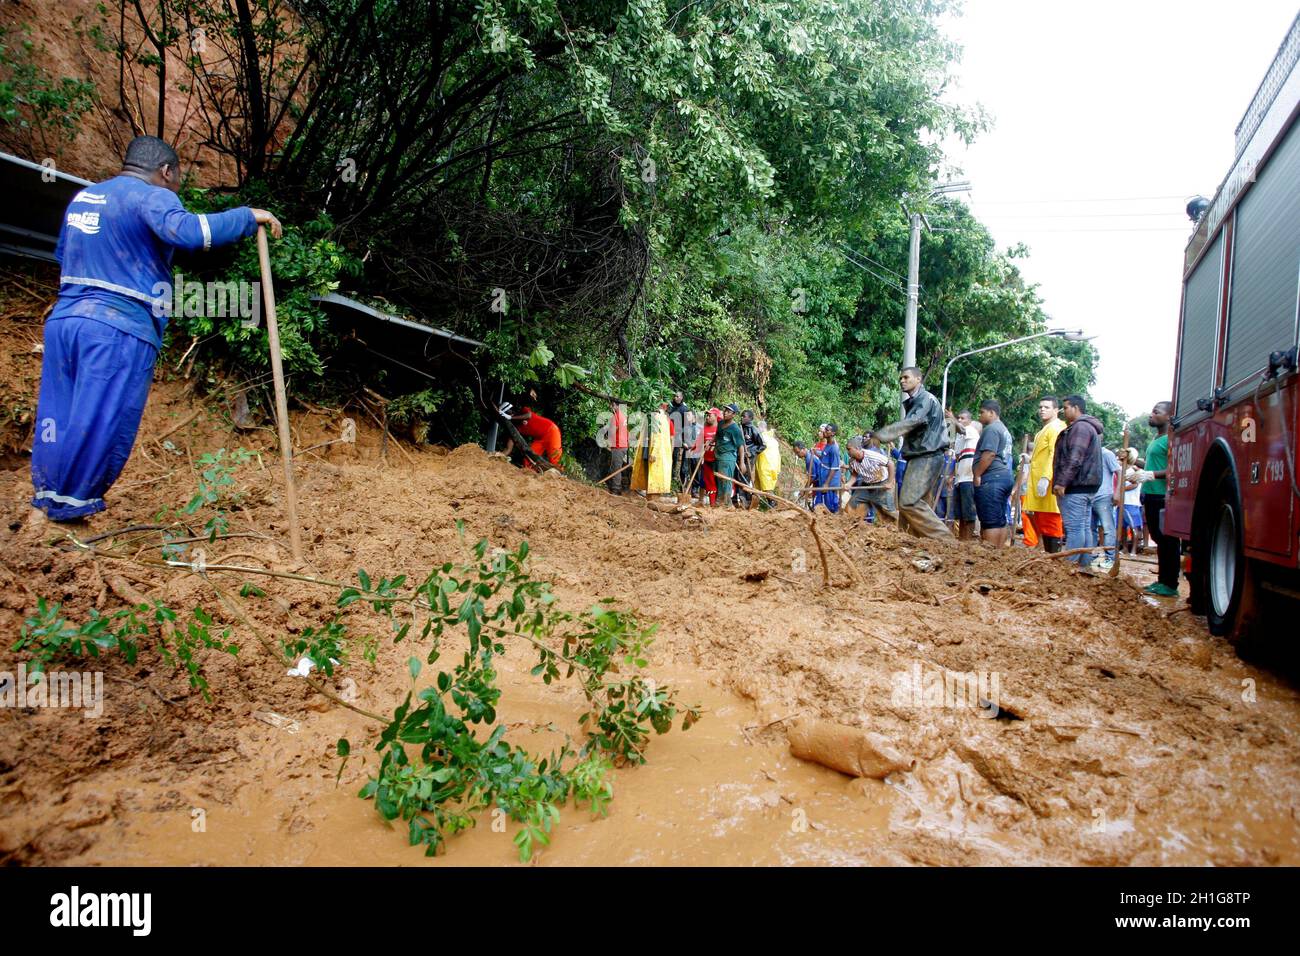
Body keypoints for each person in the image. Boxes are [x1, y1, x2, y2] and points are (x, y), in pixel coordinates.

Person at [29, 135, 282, 523]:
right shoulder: (150, 195)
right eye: (177, 180)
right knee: (99, 420)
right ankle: (69, 515)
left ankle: (46, 504)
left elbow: (64, 255)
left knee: (57, 415)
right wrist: (247, 216)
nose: (175, 188)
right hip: (116, 328)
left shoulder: (85, 197)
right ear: (166, 171)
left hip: (66, 320)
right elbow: (188, 232)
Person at [873, 367, 953, 539]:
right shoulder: (919, 400)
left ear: (918, 379)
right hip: (923, 456)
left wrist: (883, 434)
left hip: (926, 456)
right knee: (916, 505)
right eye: (901, 378)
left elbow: (913, 421)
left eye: (906, 377)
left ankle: (946, 540)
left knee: (909, 502)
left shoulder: (925, 399)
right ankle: (911, 542)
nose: (902, 380)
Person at [1051, 395, 1104, 566]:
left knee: (1074, 528)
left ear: (1075, 408)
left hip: (1076, 486)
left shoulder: (1080, 428)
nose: (1064, 411)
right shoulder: (1088, 428)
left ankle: (1069, 566)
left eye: (1065, 408)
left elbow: (1074, 458)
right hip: (1086, 486)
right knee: (1083, 527)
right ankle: (1084, 565)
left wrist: (1062, 482)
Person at [1140, 401, 1179, 596]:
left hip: (1163, 496)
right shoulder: (1157, 439)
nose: (1152, 414)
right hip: (1151, 494)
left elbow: (1175, 467)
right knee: (1157, 537)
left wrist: (1152, 475)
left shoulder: (1171, 438)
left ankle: (1170, 584)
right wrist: (1135, 463)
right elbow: (1152, 464)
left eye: (1157, 412)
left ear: (1169, 416)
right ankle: (1162, 580)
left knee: (1167, 540)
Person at [1022, 397, 1067, 552]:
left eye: (1047, 407)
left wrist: (1046, 477)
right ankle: (1048, 555)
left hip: (1047, 482)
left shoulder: (1056, 428)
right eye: (1040, 407)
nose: (1042, 410)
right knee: (1042, 520)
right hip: (1038, 482)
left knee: (1051, 521)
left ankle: (1054, 557)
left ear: (1056, 410)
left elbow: (1054, 454)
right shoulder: (1044, 430)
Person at [971, 400, 1014, 546]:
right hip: (1004, 476)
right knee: (999, 519)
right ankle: (999, 554)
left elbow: (989, 454)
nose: (979, 415)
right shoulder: (1004, 429)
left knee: (990, 521)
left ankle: (991, 557)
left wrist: (977, 474)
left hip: (992, 478)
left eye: (982, 412)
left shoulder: (991, 429)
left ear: (992, 413)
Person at [845, 433, 897, 523]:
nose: (847, 452)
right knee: (850, 508)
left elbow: (890, 464)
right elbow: (854, 474)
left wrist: (890, 482)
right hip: (866, 485)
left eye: (849, 449)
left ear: (857, 448)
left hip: (882, 484)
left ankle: (901, 527)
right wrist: (849, 484)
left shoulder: (872, 456)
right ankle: (853, 527)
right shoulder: (852, 461)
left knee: (889, 512)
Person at [948, 409, 981, 540]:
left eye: (963, 418)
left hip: (969, 478)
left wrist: (952, 419)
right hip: (960, 479)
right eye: (958, 418)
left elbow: (961, 428)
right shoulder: (960, 438)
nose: (960, 420)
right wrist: (952, 475)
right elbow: (956, 458)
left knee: (968, 513)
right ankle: (962, 539)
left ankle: (967, 540)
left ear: (969, 421)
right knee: (960, 514)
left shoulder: (971, 431)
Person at [1090, 445, 1122, 571]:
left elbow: (1119, 472)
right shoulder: (1087, 454)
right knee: (1090, 529)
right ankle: (1092, 557)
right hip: (1089, 496)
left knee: (1108, 528)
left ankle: (1110, 558)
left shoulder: (1106, 454)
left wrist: (1117, 492)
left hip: (1103, 496)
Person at [713, 403, 745, 507]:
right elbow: (717, 436)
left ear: (733, 414)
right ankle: (719, 502)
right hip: (718, 455)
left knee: (725, 480)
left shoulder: (735, 429)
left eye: (728, 411)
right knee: (718, 480)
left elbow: (741, 446)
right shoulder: (721, 423)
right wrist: (710, 442)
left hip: (728, 458)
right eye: (725, 410)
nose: (725, 413)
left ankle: (727, 504)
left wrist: (742, 463)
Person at [1118, 447, 1144, 555]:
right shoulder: (1122, 469)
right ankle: (1124, 547)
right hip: (1122, 502)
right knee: (1123, 527)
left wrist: (1121, 488)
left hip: (1132, 502)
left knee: (1134, 527)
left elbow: (1135, 484)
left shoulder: (1134, 471)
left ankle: (1133, 549)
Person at [814, 424, 842, 514]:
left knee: (830, 506)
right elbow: (823, 456)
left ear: (833, 433)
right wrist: (816, 452)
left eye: (827, 430)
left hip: (830, 482)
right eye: (825, 429)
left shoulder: (834, 448)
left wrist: (826, 484)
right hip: (824, 477)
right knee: (823, 503)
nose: (825, 431)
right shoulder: (827, 444)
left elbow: (834, 468)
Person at [753, 420, 781, 508]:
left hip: (765, 466)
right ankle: (754, 506)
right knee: (757, 488)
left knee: (766, 488)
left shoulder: (762, 438)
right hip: (771, 466)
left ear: (761, 427)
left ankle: (773, 504)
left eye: (758, 427)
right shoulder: (773, 440)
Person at [606, 400, 628, 494]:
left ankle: (616, 489)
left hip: (618, 445)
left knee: (616, 468)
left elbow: (613, 431)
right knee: (615, 466)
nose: (610, 407)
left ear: (616, 405)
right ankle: (613, 486)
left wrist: (608, 440)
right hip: (623, 445)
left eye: (611, 405)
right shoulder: (623, 415)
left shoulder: (616, 417)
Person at [668, 391, 689, 487]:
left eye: (678, 396)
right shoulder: (670, 406)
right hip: (666, 434)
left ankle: (672, 478)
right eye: (675, 396)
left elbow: (686, 425)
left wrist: (685, 440)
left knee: (674, 457)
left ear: (681, 397)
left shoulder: (684, 409)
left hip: (677, 437)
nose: (676, 398)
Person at [682, 409, 702, 495]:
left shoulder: (700, 427)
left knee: (696, 471)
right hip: (687, 450)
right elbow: (679, 439)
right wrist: (683, 444)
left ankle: (695, 490)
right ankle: (683, 488)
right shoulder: (685, 428)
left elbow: (703, 440)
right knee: (684, 470)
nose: (687, 417)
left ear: (694, 416)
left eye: (689, 415)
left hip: (696, 452)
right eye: (686, 416)